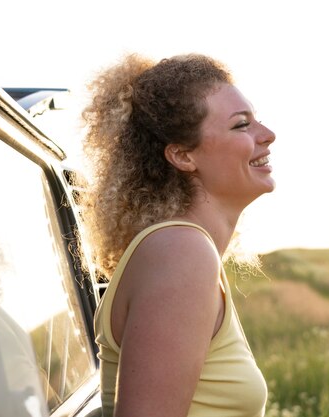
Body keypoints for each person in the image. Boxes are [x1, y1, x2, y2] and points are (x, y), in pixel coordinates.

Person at [79, 53, 276, 417]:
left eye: (256, 121)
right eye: (241, 125)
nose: (267, 135)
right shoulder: (181, 253)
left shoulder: (183, 250)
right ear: (184, 156)